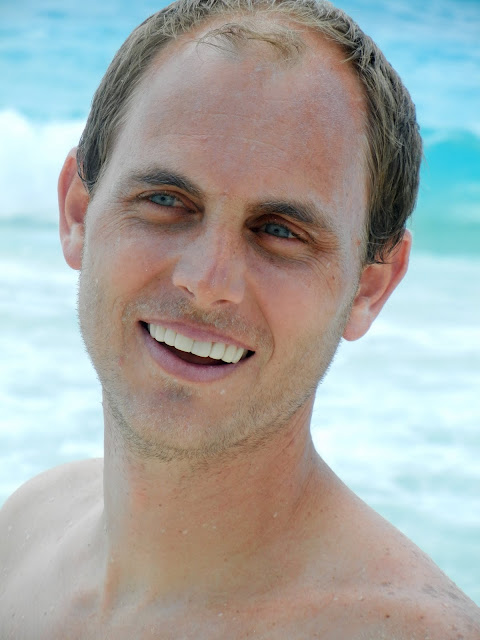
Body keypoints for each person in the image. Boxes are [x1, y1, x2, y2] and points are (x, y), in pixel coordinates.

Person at [1, 0, 479, 637]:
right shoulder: (23, 535)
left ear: (372, 286)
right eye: (166, 199)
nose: (207, 281)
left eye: (279, 231)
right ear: (78, 213)